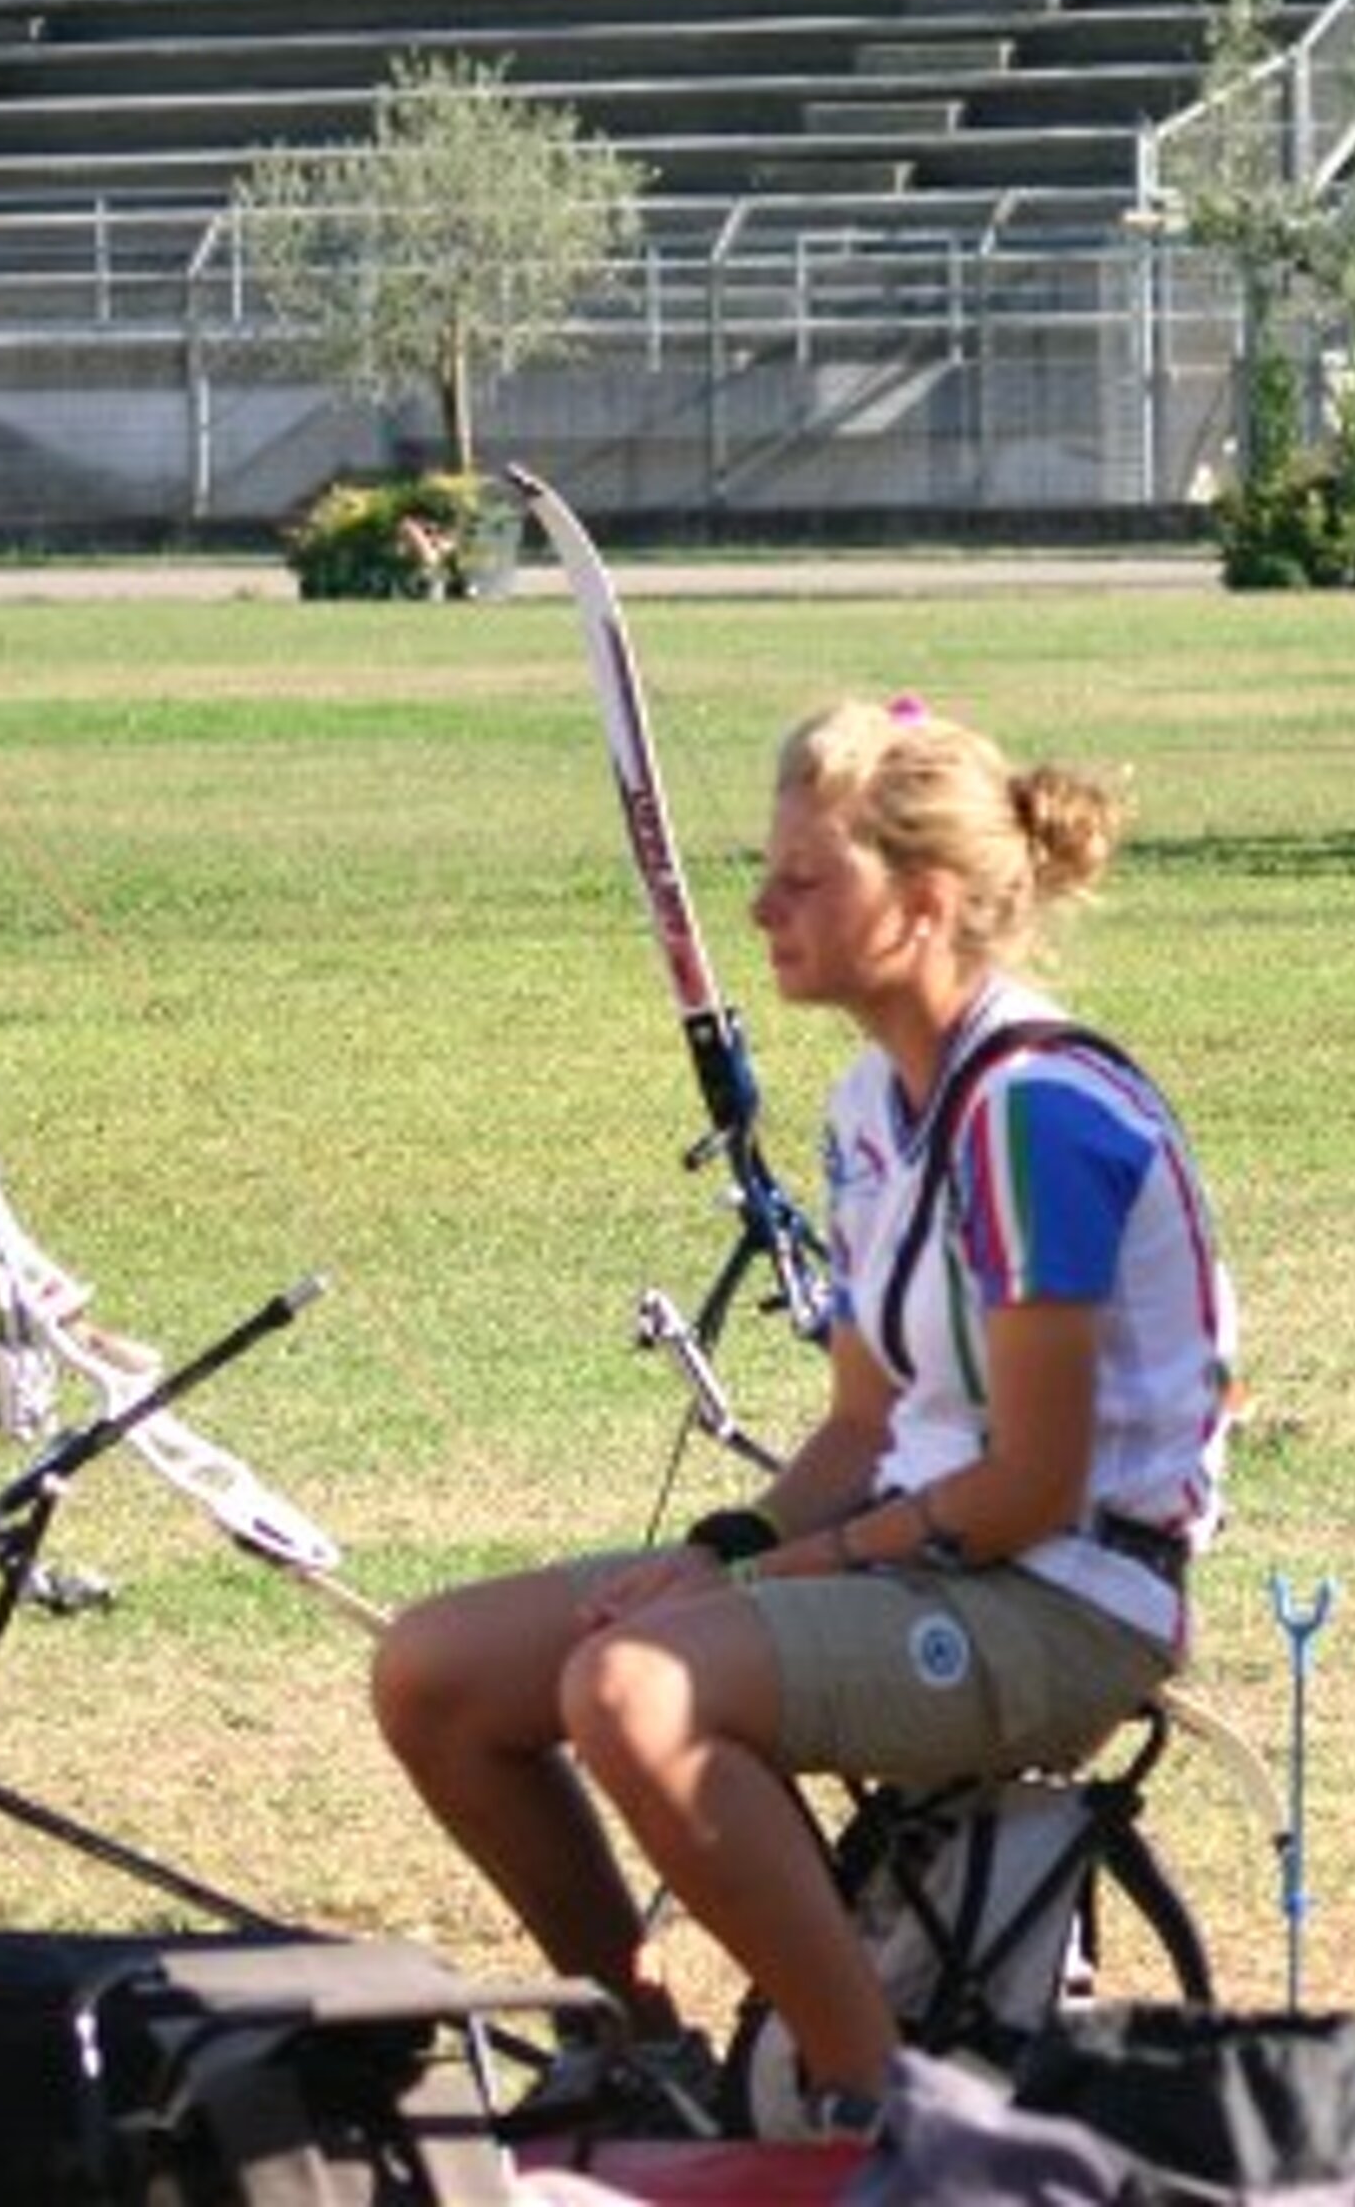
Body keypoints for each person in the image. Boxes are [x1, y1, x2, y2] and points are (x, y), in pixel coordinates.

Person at [370, 700, 1237, 2137]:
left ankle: (877, 2104)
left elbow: (1030, 1489)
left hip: (1069, 1601)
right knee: (438, 1673)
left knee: (634, 1690)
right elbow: (862, 1428)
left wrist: (765, 1579)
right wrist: (721, 1550)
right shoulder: (869, 1106)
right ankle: (641, 2053)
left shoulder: (1035, 1115)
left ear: (927, 903)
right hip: (931, 1559)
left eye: (805, 878)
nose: (763, 909)